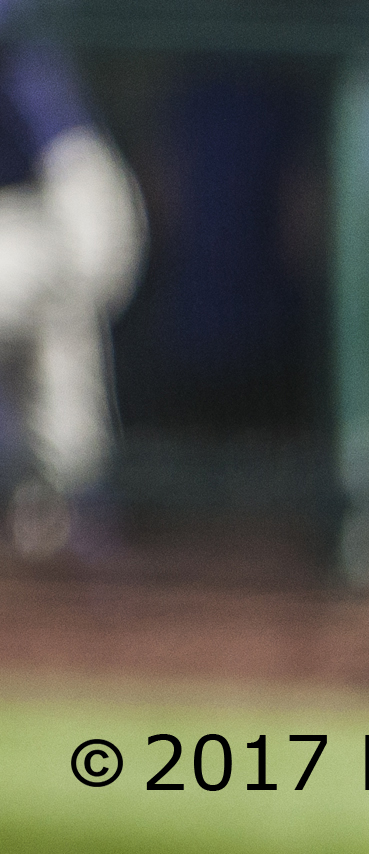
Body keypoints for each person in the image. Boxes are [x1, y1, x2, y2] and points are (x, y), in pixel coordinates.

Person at [0, 19, 142, 559]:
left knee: (54, 334)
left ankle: (76, 514)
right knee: (53, 351)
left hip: (77, 200)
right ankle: (82, 522)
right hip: (39, 216)